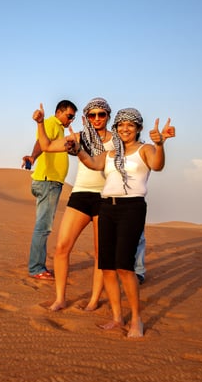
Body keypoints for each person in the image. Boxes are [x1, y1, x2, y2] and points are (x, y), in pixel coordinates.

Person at [73, 108, 175, 338]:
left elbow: (157, 166)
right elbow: (91, 163)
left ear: (138, 128)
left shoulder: (145, 149)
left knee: (124, 267)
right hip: (107, 207)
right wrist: (77, 149)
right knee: (107, 266)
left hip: (132, 208)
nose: (125, 128)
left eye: (130, 125)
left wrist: (161, 144)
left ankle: (136, 319)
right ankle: (117, 318)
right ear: (116, 129)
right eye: (120, 125)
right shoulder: (110, 154)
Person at [33, 98, 113, 311]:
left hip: (105, 198)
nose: (97, 119)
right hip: (80, 195)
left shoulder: (117, 140)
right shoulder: (78, 137)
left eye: (101, 114)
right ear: (87, 117)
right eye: (92, 115)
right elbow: (47, 146)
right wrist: (40, 124)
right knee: (61, 247)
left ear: (108, 116)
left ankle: (94, 300)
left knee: (100, 253)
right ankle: (60, 298)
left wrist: (160, 143)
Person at [21, 100, 77, 280]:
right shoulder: (52, 122)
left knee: (42, 226)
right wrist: (33, 156)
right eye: (69, 116)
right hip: (48, 181)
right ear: (60, 112)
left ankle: (36, 265)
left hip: (48, 181)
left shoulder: (59, 127)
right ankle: (36, 268)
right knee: (43, 227)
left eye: (73, 117)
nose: (70, 120)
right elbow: (40, 142)